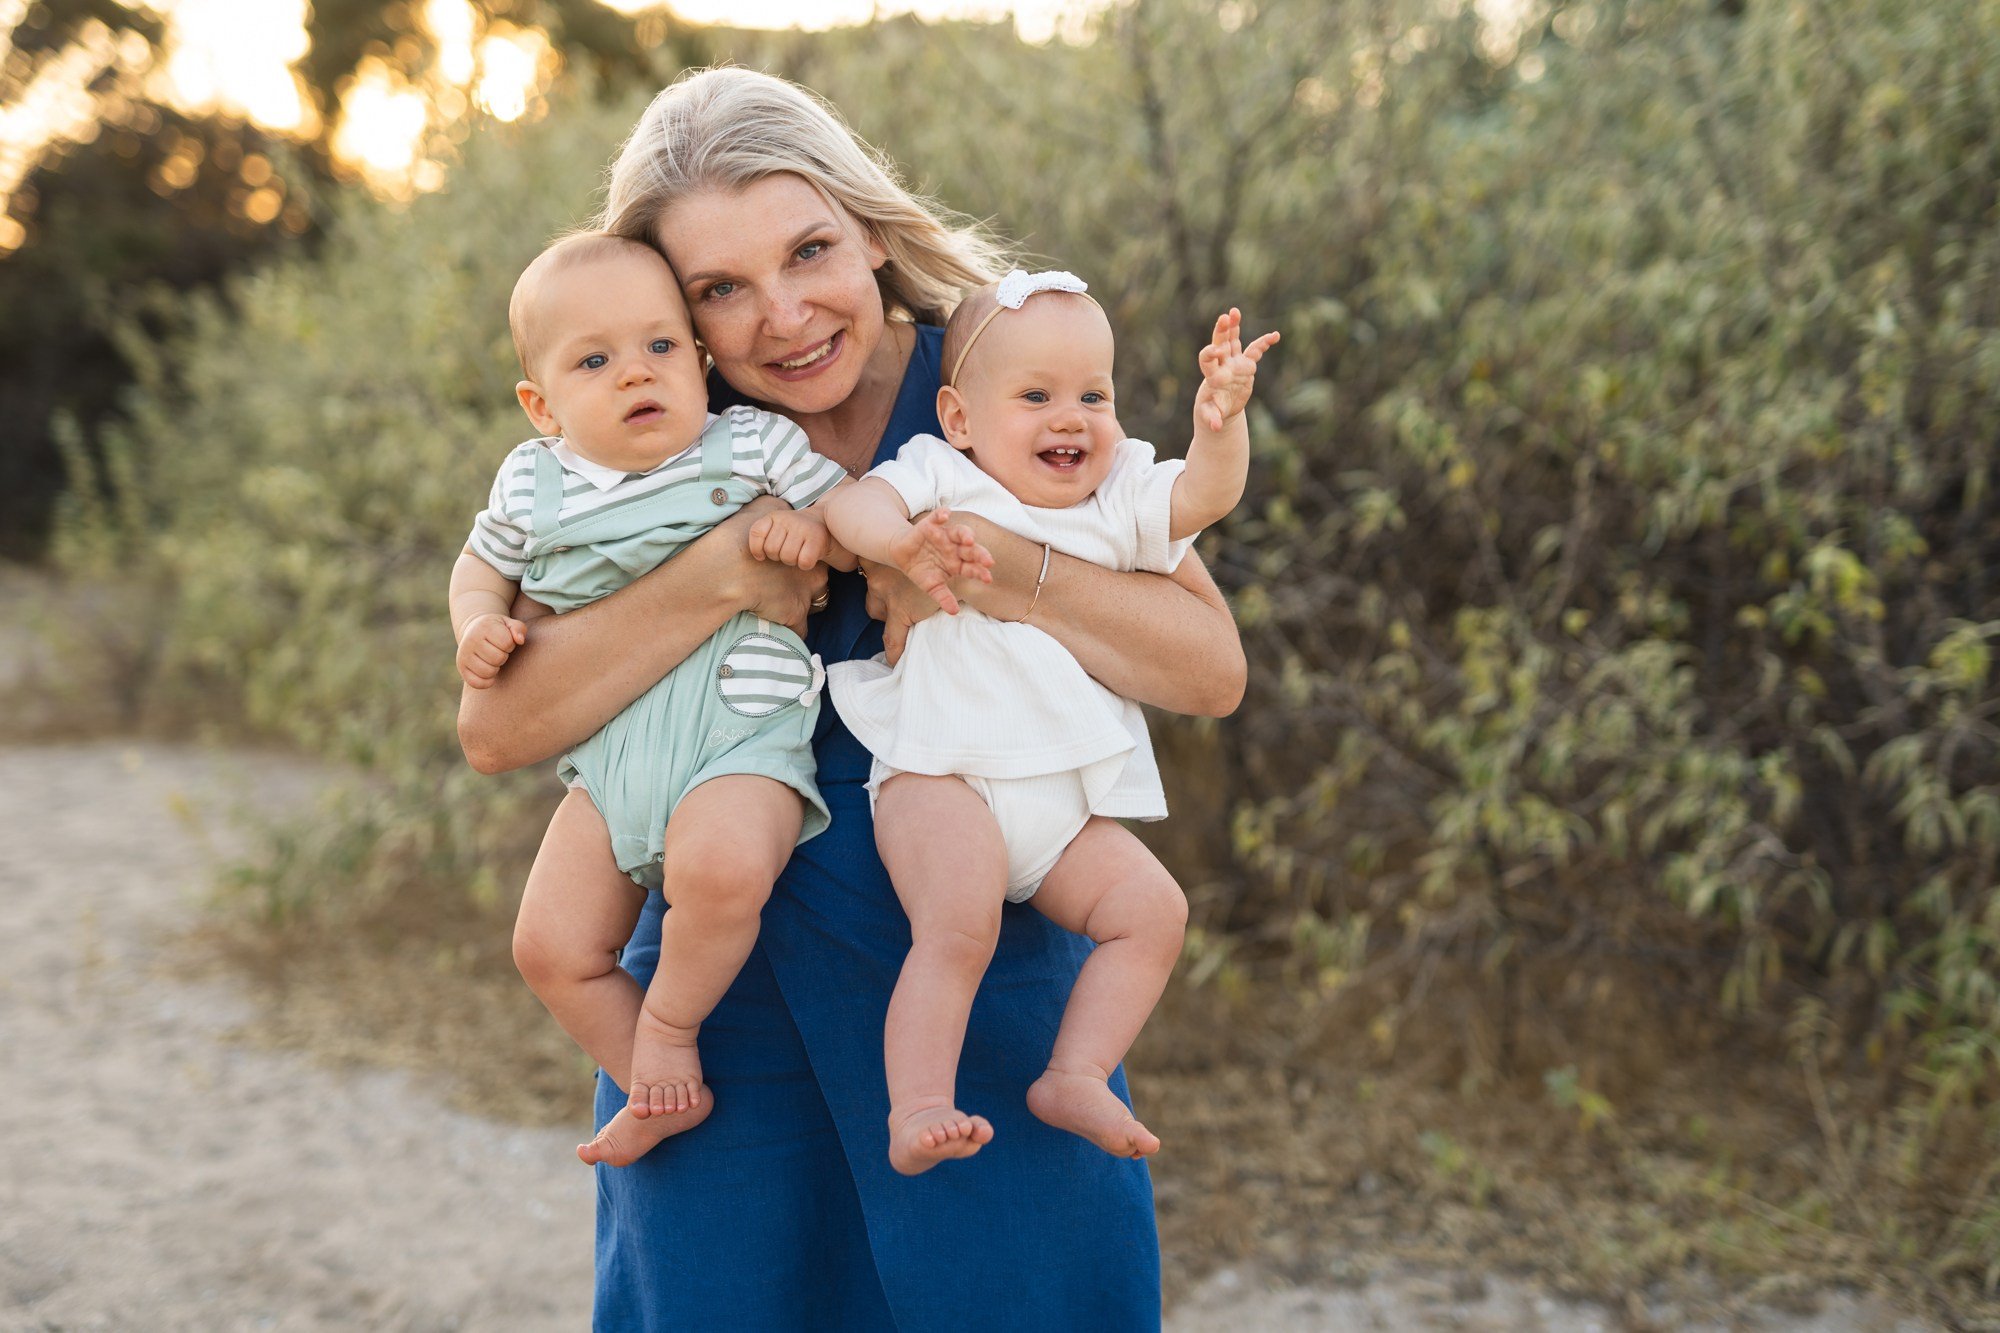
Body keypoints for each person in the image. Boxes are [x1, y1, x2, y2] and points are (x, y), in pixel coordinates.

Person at [454, 66, 1246, 1331]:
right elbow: (498, 728)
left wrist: (996, 568)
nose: (781, 315)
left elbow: (1208, 669)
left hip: (965, 978)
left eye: (808, 251)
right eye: (719, 289)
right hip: (723, 999)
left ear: (869, 230)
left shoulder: (998, 382)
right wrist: (721, 576)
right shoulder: (654, 435)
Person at [453, 231, 915, 1168]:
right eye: (594, 362)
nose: (636, 373)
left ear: (699, 362)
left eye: (661, 346)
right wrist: (477, 624)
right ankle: (651, 1080)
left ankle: (668, 1029)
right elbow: (479, 567)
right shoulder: (533, 481)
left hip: (739, 735)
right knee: (549, 946)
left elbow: (846, 509)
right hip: (610, 760)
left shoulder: (748, 443)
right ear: (541, 405)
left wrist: (812, 533)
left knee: (721, 871)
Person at [820, 270, 1277, 1176]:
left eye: (1093, 397)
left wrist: (1220, 423)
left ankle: (1076, 1072)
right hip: (940, 773)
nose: (1071, 419)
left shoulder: (1119, 493)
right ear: (959, 418)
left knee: (1153, 911)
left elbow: (1201, 498)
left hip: (1061, 803)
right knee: (959, 920)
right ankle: (919, 1104)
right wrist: (898, 542)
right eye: (1036, 397)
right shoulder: (941, 473)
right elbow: (851, 505)